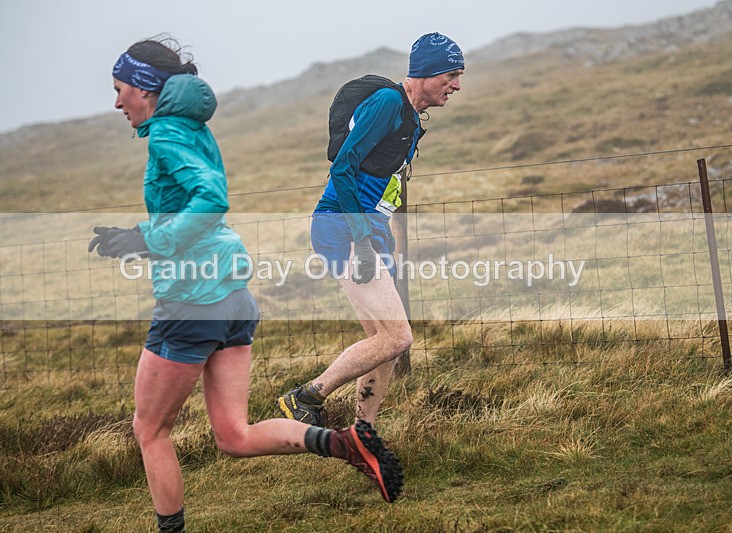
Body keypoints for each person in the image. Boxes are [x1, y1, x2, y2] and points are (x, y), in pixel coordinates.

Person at [88, 36, 404, 533]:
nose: (116, 101)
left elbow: (211, 197)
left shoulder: (168, 133)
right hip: (233, 296)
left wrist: (144, 238)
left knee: (149, 430)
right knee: (233, 435)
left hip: (192, 298)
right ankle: (344, 443)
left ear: (144, 88)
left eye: (120, 88)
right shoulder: (192, 127)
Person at [278, 33, 464, 427]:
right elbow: (343, 167)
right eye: (451, 74)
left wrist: (380, 234)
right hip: (342, 228)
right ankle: (306, 396)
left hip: (367, 229)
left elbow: (381, 182)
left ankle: (363, 431)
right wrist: (362, 239)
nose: (457, 85)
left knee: (385, 344)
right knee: (398, 337)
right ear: (427, 72)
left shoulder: (411, 117)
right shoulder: (387, 103)